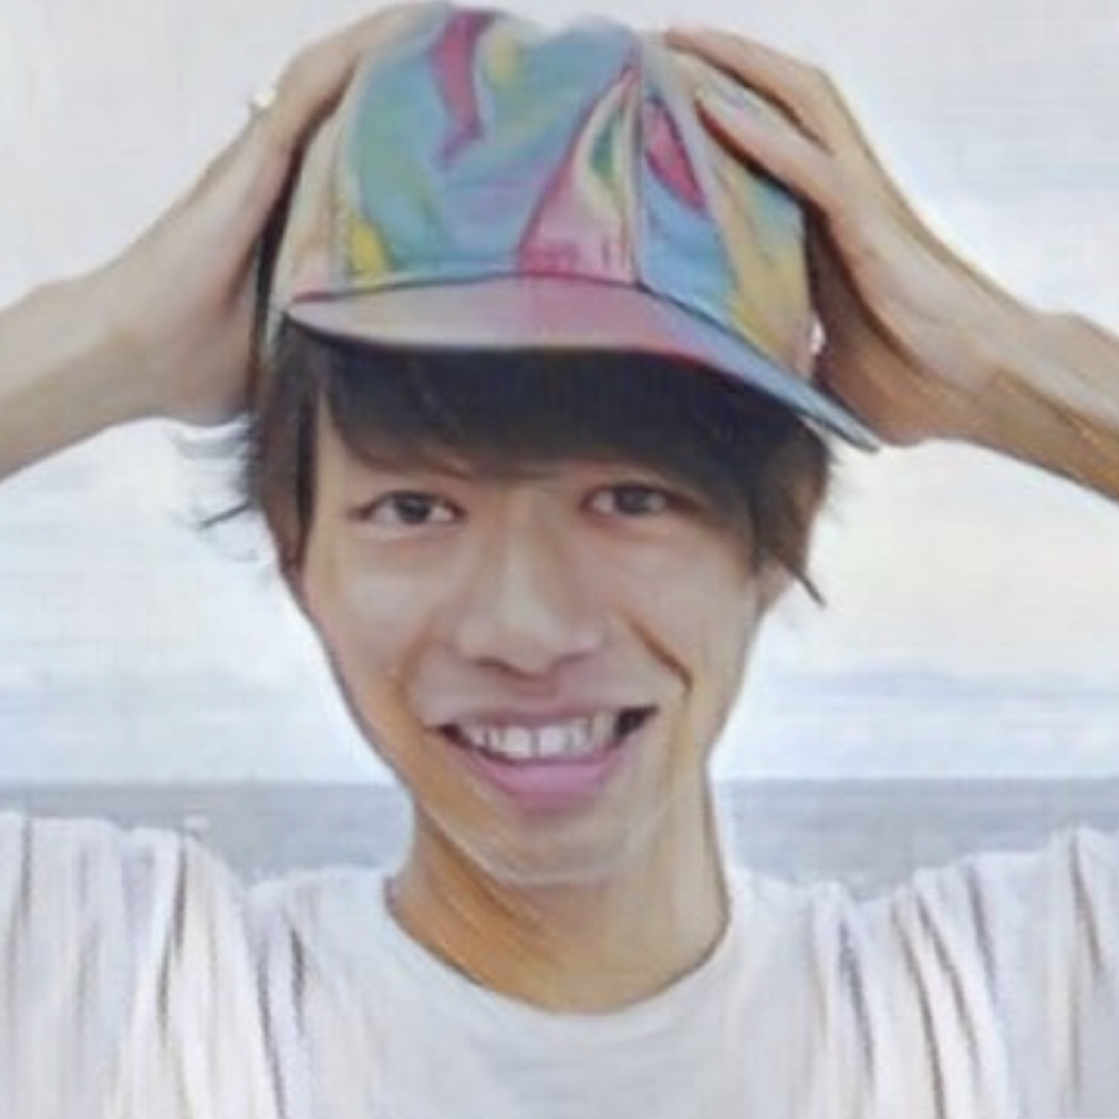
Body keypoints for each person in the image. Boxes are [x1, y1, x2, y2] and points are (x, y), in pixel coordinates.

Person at [1, 5, 1117, 1118]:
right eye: (415, 508)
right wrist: (109, 335)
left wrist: (1005, 361)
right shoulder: (124, 1008)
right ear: (299, 548)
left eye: (630, 499)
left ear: (777, 531)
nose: (524, 630)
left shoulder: (1004, 1023)